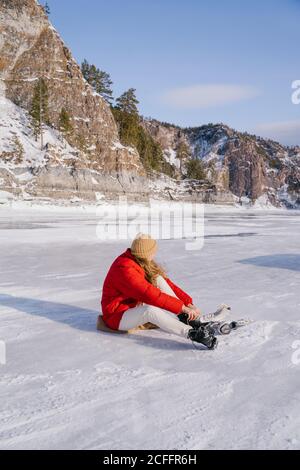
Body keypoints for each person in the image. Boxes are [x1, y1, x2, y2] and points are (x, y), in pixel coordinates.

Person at [101, 234, 218, 349]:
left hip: (132, 306)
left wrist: (187, 303)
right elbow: (150, 294)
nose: (154, 254)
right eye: (153, 252)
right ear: (146, 253)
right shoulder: (124, 269)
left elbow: (168, 284)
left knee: (158, 279)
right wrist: (182, 307)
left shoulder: (139, 260)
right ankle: (193, 334)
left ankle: (186, 318)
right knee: (150, 311)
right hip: (117, 317)